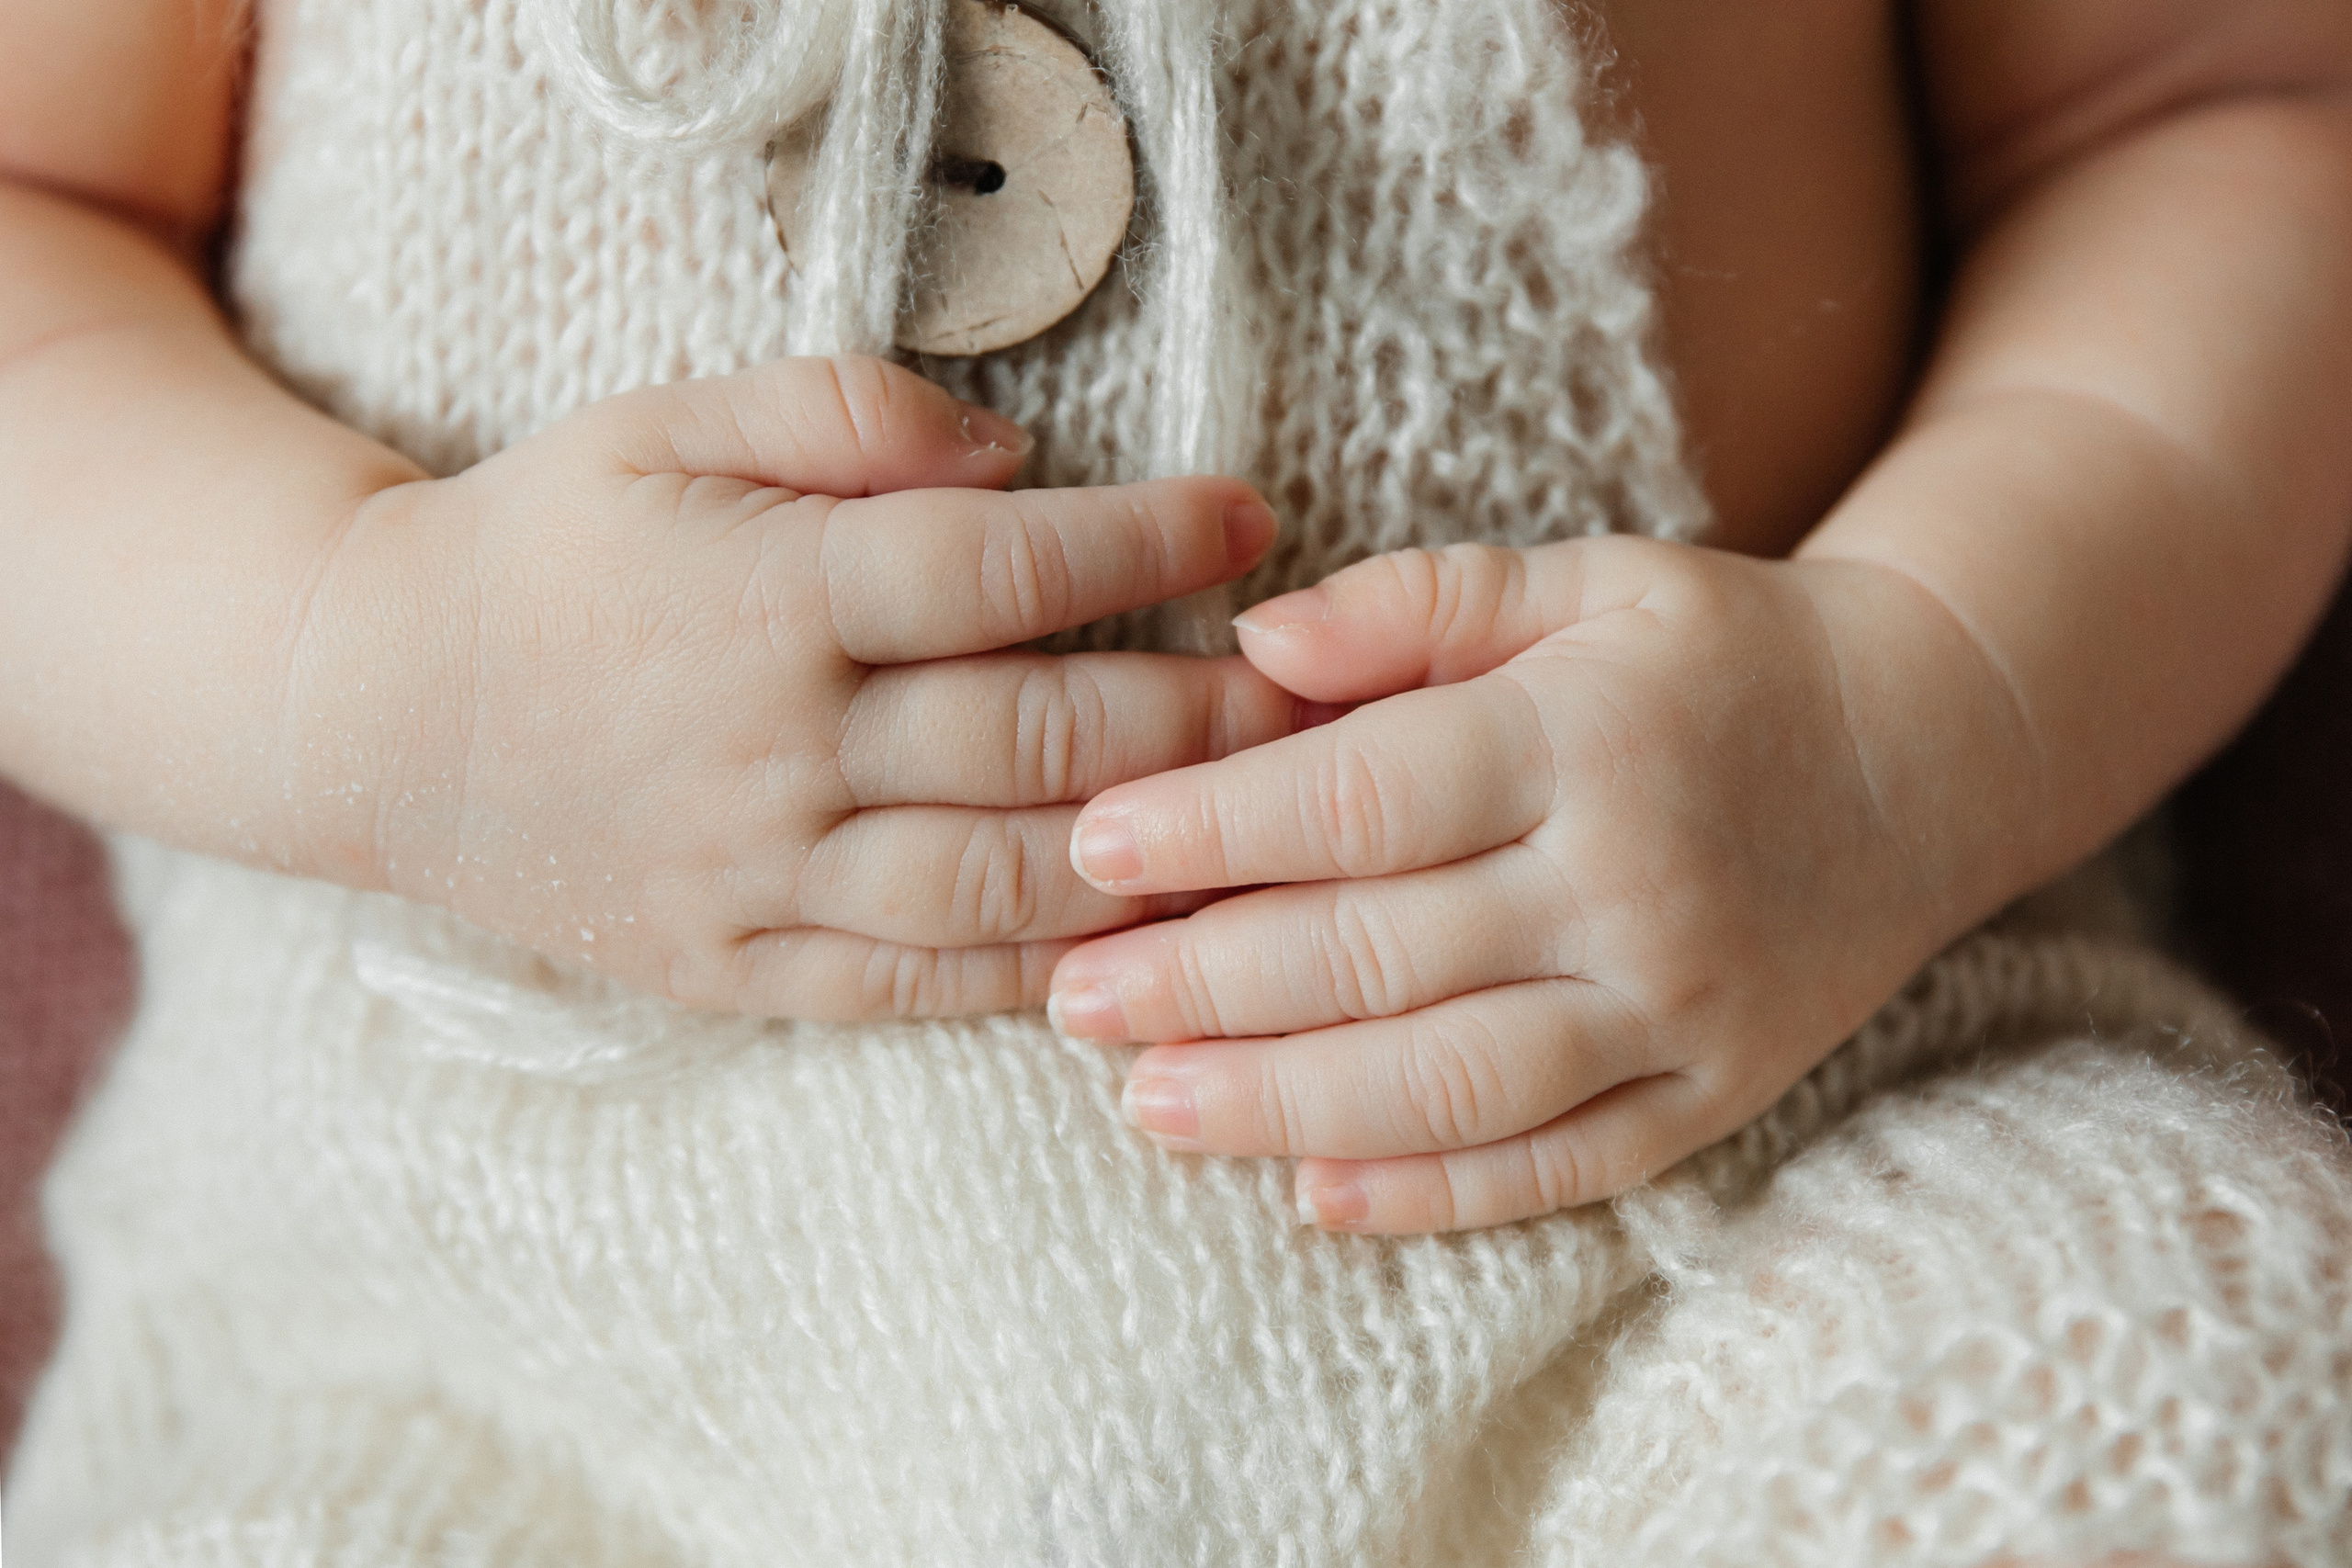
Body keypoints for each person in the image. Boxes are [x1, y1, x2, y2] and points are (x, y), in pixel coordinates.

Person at [3, 0, 2349, 1561]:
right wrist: (370, 662)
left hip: (1718, 1160)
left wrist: (1906, 708)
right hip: (487, 1295)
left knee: (2203, 1378)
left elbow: (2201, 113)